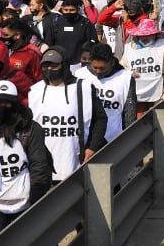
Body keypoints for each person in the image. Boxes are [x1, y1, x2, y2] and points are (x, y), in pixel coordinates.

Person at [29, 48, 106, 184]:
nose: (49, 69)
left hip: (75, 163)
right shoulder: (34, 91)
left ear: (64, 65)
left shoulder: (84, 87)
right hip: (43, 169)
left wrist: (92, 147)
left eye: (54, 65)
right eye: (46, 65)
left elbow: (100, 119)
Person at [0, 80, 51, 234]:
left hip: (24, 204)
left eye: (7, 102)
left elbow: (39, 165)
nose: (2, 106)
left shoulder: (30, 129)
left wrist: (35, 199)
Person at [75, 43, 136, 144]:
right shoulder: (80, 75)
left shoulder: (125, 77)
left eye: (102, 68)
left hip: (112, 137)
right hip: (86, 137)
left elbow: (129, 113)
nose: (98, 72)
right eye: (95, 67)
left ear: (111, 63)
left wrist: (128, 140)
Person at [122, 18, 164, 116]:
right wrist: (129, 71)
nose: (145, 38)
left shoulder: (162, 47)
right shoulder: (129, 48)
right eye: (142, 35)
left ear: (154, 34)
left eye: (148, 35)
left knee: (157, 120)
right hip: (137, 93)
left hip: (157, 93)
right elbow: (121, 68)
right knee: (140, 122)